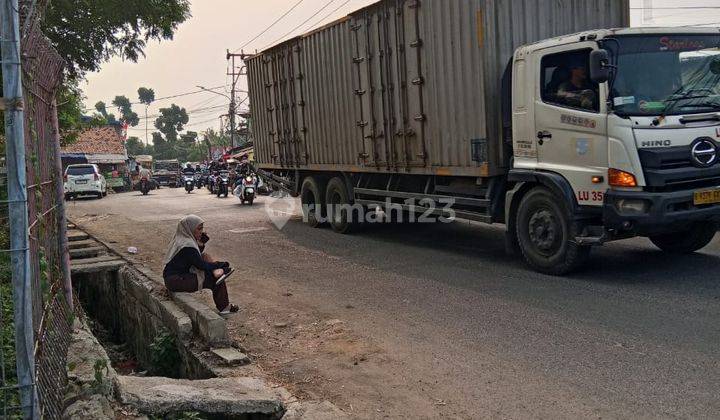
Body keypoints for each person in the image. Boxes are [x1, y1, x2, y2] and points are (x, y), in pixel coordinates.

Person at [162, 215, 238, 315]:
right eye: (199, 228)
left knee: (205, 256)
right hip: (177, 281)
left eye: (202, 228)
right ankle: (224, 306)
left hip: (173, 278)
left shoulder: (182, 239)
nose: (201, 231)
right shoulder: (188, 245)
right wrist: (220, 265)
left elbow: (194, 257)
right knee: (215, 279)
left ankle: (218, 272)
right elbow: (201, 265)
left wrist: (201, 243)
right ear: (190, 229)